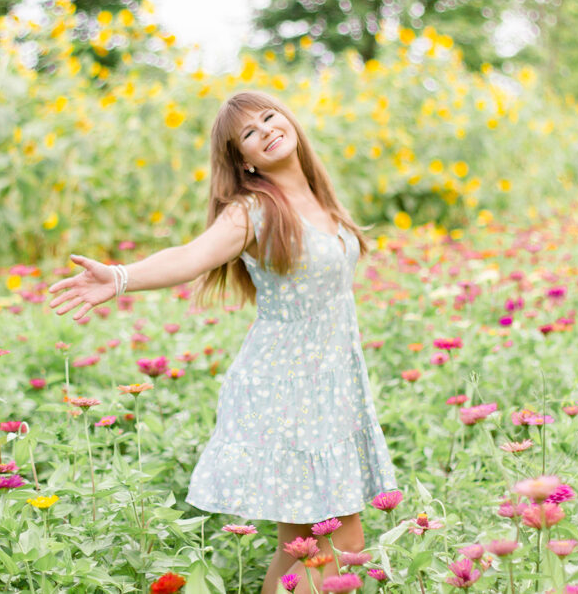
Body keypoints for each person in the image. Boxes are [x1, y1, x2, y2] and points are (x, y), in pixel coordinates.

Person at [48, 90, 397, 593]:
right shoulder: (252, 211)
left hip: (331, 384)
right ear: (243, 161)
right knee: (343, 545)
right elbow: (191, 257)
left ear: (289, 120)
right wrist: (120, 277)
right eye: (249, 134)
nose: (267, 131)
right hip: (286, 388)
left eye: (269, 118)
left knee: (301, 547)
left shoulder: (320, 198)